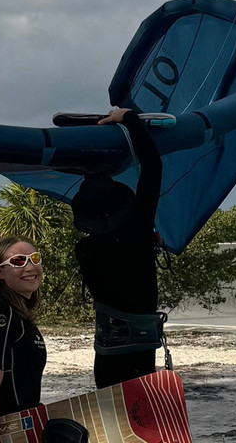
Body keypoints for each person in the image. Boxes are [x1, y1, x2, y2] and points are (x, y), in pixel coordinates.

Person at [72, 107, 165, 389]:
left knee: (111, 419)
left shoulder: (84, 251)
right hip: (140, 346)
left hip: (107, 350)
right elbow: (153, 166)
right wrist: (129, 118)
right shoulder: (138, 231)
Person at [0, 236, 47, 443]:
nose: (30, 267)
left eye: (34, 258)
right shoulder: (1, 314)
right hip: (6, 429)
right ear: (0, 273)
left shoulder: (20, 314)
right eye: (18, 261)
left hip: (24, 425)